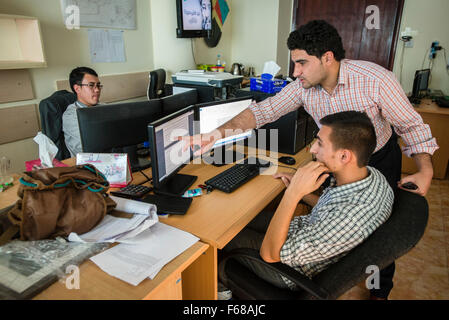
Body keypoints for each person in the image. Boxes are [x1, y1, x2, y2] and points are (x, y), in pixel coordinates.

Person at [182, 20, 439, 299]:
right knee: (332, 212)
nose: (296, 72)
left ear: (327, 57)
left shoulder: (375, 79)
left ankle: (379, 291)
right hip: (336, 159)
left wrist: (425, 170)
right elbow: (263, 111)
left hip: (377, 156)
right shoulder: (303, 86)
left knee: (379, 235)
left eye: (302, 63)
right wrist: (215, 134)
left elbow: (412, 127)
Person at [223, 111, 394, 291]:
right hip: (305, 234)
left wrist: (293, 194)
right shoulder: (373, 176)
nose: (312, 149)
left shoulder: (349, 220)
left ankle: (221, 288)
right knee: (239, 220)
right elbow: (331, 210)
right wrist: (303, 192)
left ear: (344, 156)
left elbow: (270, 255)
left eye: (320, 144)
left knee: (225, 236)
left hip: (289, 269)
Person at [62, 67, 103, 157]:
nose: (97, 90)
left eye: (98, 85)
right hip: (88, 163)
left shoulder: (104, 107)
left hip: (113, 157)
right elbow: (84, 148)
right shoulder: (71, 115)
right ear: (77, 89)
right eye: (91, 85)